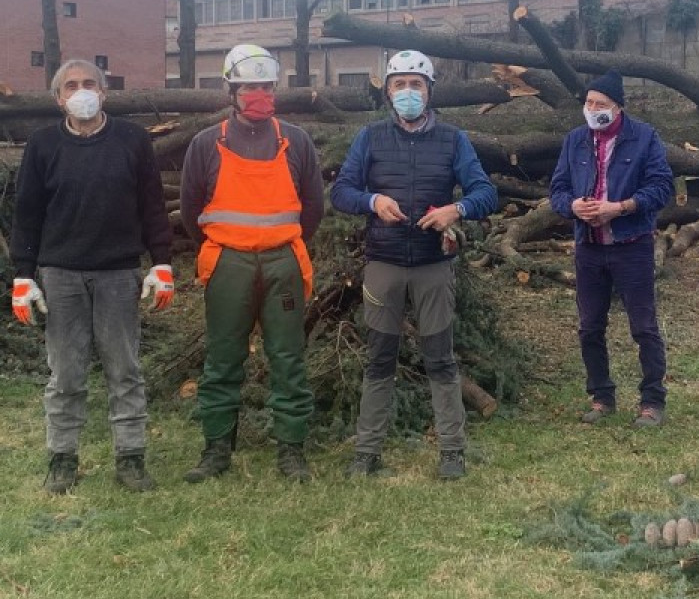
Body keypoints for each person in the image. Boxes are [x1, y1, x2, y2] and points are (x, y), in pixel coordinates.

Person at [330, 50, 499, 480]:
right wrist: (372, 201)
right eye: (400, 84)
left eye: (416, 85)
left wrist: (456, 209)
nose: (408, 92)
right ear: (388, 92)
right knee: (379, 359)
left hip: (432, 265)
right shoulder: (370, 137)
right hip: (383, 264)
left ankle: (452, 452)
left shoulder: (453, 139)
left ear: (429, 91)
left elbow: (486, 193)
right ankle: (367, 453)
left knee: (440, 359)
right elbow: (341, 192)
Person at [10, 59, 174, 494]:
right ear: (58, 98)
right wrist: (23, 275)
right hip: (61, 274)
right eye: (71, 86)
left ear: (103, 92)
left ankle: (131, 458)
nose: (80, 91)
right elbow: (27, 213)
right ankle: (62, 459)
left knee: (125, 370)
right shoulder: (43, 145)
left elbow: (152, 205)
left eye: (89, 83)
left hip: (118, 273)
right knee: (65, 374)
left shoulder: (132, 140)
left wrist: (162, 263)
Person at [177, 44, 327, 482]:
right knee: (223, 359)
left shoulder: (296, 141)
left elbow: (313, 208)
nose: (259, 95)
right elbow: (190, 210)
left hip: (283, 263)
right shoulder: (206, 144)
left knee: (288, 358)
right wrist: (224, 247)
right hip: (228, 263)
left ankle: (292, 451)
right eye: (249, 88)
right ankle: (216, 451)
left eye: (265, 86)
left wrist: (280, 245)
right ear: (231, 91)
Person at [548, 71, 675, 428]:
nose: (592, 109)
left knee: (644, 327)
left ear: (617, 107)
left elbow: (662, 187)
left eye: (600, 104)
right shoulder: (575, 140)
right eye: (588, 103)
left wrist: (619, 208)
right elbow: (557, 189)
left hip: (631, 245)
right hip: (588, 247)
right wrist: (572, 206)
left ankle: (652, 401)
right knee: (590, 326)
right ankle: (601, 396)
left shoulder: (644, 137)